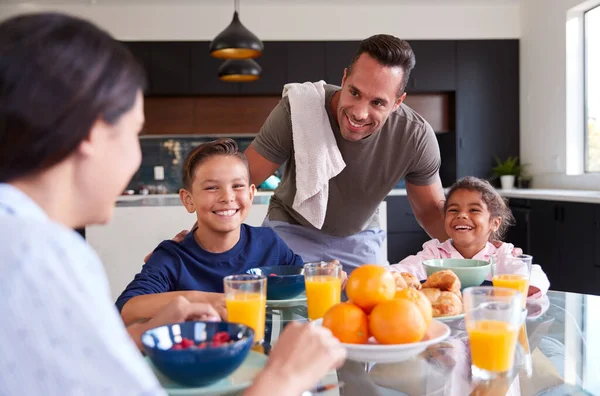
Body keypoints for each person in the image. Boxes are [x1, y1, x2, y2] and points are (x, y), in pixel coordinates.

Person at [0, 12, 345, 396]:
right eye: (133, 132)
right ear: (92, 134)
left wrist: (145, 332)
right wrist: (287, 378)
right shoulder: (44, 257)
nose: (134, 158)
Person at [244, 34, 448, 272]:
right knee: (283, 305)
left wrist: (477, 250)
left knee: (375, 305)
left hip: (360, 238)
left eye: (378, 103)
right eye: (355, 93)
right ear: (344, 79)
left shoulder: (415, 136)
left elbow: (432, 212)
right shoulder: (298, 109)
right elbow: (241, 182)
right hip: (290, 229)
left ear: (397, 102)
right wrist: (200, 238)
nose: (360, 113)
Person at [116, 138, 303, 325]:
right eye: (211, 187)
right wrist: (203, 299)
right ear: (188, 200)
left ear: (250, 194)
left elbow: (305, 281)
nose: (227, 197)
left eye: (237, 186)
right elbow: (126, 310)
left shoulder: (269, 244)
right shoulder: (172, 257)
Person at [389, 176, 550, 298]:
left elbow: (537, 278)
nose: (462, 215)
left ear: (494, 223)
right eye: (453, 210)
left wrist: (499, 294)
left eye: (474, 210)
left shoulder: (501, 255)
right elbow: (396, 273)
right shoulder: (434, 254)